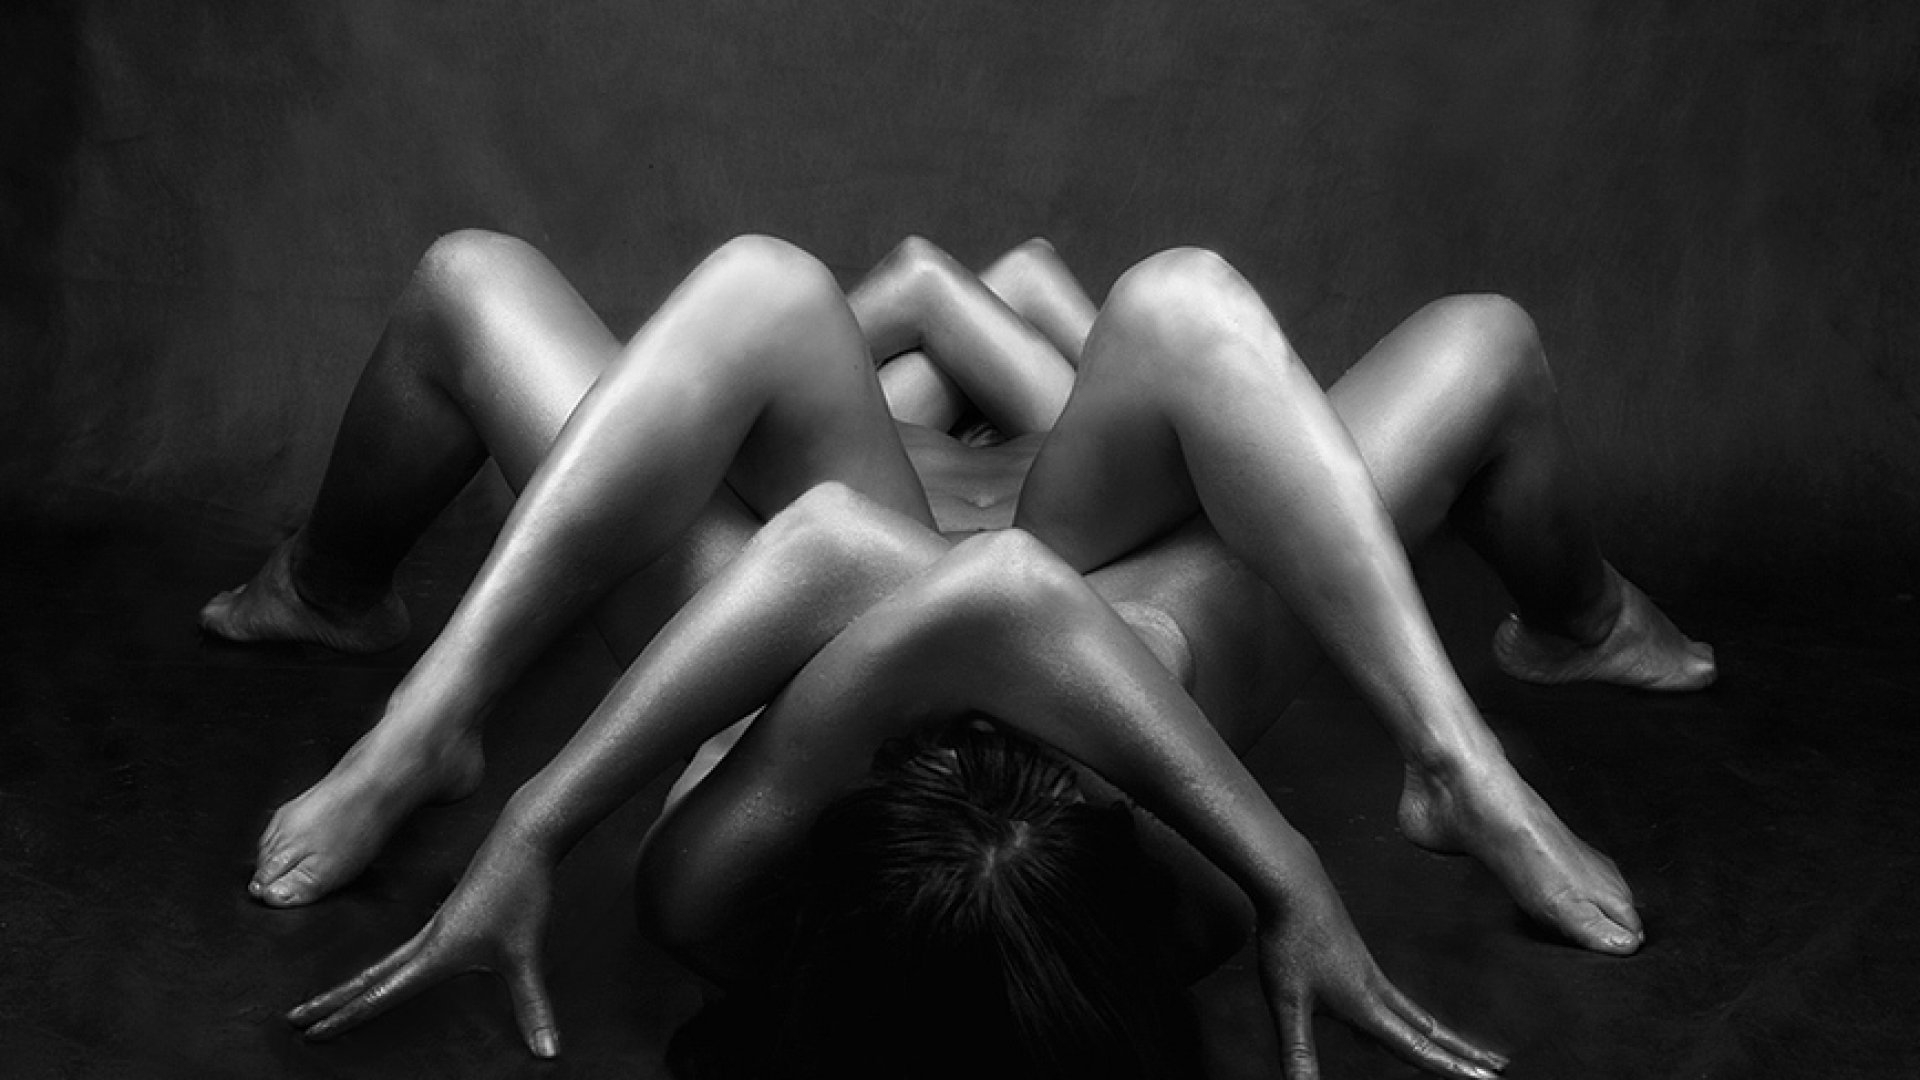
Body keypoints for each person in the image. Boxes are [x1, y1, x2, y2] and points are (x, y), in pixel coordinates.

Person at [202, 231, 1713, 1078]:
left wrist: (534, 822)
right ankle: (1566, 643)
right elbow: (1028, 600)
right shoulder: (1189, 896)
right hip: (1085, 572)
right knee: (1423, 335)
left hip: (808, 604)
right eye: (1045, 771)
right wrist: (1293, 879)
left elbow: (858, 560)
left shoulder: (715, 896)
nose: (984, 732)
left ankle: (350, 618)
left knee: (526, 285)